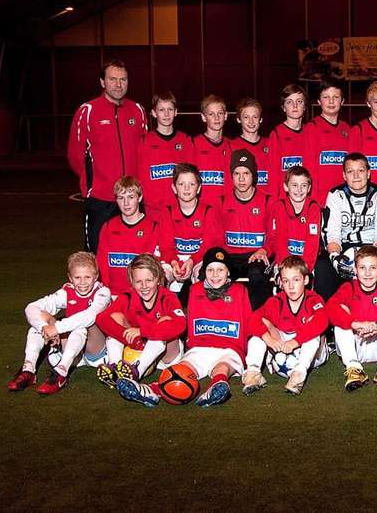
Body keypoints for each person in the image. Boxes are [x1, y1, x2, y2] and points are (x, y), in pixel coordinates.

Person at [116, 248, 256, 408]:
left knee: (222, 368)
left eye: (220, 270)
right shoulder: (195, 290)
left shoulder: (239, 291)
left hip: (229, 348)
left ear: (228, 272)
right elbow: (187, 323)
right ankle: (149, 390)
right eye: (210, 270)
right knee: (180, 370)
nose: (215, 275)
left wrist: (246, 353)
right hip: (200, 347)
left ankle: (216, 386)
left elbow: (248, 322)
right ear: (204, 272)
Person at [67, 59, 148, 252]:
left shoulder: (137, 111)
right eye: (113, 79)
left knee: (135, 253)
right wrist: (95, 184)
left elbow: (145, 153)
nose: (118, 84)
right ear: (102, 82)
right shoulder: (88, 111)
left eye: (123, 79)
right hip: (101, 198)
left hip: (133, 197)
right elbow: (75, 156)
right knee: (97, 253)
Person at [7, 252, 112, 394]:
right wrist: (44, 327)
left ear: (96, 276)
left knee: (80, 326)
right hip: (74, 350)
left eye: (87, 277)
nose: (82, 282)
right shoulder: (67, 291)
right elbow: (31, 307)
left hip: (96, 352)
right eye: (77, 277)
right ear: (70, 278)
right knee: (38, 323)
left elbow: (90, 316)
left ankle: (61, 374)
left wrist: (56, 327)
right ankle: (28, 370)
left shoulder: (102, 292)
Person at [94, 254, 186, 389]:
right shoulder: (128, 296)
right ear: (131, 281)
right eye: (138, 281)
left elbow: (181, 324)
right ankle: (114, 367)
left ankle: (137, 371)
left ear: (158, 279)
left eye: (149, 280)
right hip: (139, 348)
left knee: (165, 321)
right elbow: (101, 318)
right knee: (115, 317)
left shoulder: (168, 297)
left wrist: (143, 332)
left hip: (166, 356)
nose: (144, 286)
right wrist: (131, 337)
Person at [326, 245, 377, 392]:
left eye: (373, 268)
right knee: (340, 321)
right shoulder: (348, 287)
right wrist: (355, 324)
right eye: (362, 268)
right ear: (355, 270)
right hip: (356, 346)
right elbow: (331, 307)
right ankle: (353, 369)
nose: (367, 273)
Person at [243, 256, 329, 395]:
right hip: (284, 345)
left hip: (311, 352)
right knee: (258, 332)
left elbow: (322, 320)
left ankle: (298, 375)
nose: (290, 286)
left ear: (305, 280)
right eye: (286, 281)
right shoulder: (276, 301)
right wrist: (269, 339)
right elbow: (253, 319)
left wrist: (296, 341)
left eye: (296, 280)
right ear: (280, 282)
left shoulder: (314, 299)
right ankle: (253, 373)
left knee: (314, 331)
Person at [318, 153, 377, 300]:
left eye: (360, 170)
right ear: (344, 175)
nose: (356, 176)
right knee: (323, 265)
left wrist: (373, 257)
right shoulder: (335, 195)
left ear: (368, 173)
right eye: (350, 171)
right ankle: (327, 317)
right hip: (344, 246)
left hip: (373, 246)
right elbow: (331, 232)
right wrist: (335, 258)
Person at [159, 163, 224, 305]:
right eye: (181, 184)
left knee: (205, 273)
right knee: (158, 275)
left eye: (191, 184)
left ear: (199, 188)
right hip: (174, 259)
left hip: (198, 259)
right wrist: (174, 262)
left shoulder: (208, 211)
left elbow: (208, 246)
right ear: (174, 188)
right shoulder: (167, 212)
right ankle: (163, 313)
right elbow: (165, 246)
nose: (187, 188)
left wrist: (192, 261)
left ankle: (204, 311)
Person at [220, 149, 274, 309]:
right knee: (211, 271)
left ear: (254, 175)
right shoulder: (222, 202)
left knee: (257, 275)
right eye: (237, 173)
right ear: (231, 176)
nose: (241, 179)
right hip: (231, 256)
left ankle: (258, 321)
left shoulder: (267, 201)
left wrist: (265, 249)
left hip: (256, 255)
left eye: (246, 173)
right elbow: (215, 237)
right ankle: (222, 317)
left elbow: (275, 236)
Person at [96, 176, 166, 296]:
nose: (126, 203)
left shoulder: (154, 228)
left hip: (140, 293)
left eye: (131, 197)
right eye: (121, 198)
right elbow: (102, 262)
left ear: (140, 198)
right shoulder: (108, 227)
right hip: (113, 294)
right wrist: (106, 292)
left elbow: (151, 268)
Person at [136, 92, 194, 219]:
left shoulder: (185, 140)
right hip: (154, 210)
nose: (166, 114)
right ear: (154, 113)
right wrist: (151, 202)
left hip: (180, 208)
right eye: (161, 110)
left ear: (176, 112)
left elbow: (191, 177)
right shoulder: (145, 142)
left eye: (170, 109)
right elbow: (142, 177)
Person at [306, 81, 352, 204]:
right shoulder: (312, 127)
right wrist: (314, 201)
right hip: (321, 200)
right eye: (326, 97)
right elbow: (309, 168)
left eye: (336, 97)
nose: (331, 102)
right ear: (319, 101)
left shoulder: (347, 129)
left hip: (344, 199)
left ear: (342, 101)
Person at [268, 165, 323, 268]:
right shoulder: (280, 206)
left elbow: (312, 242)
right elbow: (280, 240)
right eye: (294, 185)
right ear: (285, 186)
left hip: (307, 261)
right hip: (284, 260)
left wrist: (306, 268)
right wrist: (285, 266)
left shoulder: (313, 207)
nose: (299, 190)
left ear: (309, 188)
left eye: (303, 185)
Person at [268, 84, 310, 196]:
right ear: (283, 107)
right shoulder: (276, 134)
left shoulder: (311, 132)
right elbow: (273, 174)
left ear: (305, 106)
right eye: (289, 102)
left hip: (306, 197)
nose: (295, 106)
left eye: (299, 101)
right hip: (284, 199)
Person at [229, 97, 273, 195]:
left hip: (267, 202)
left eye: (255, 117)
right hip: (243, 203)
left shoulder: (271, 144)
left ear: (261, 119)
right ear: (238, 119)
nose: (251, 121)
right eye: (246, 117)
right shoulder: (231, 146)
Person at [192, 94, 230, 203]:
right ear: (204, 117)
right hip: (203, 209)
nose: (216, 118)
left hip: (226, 209)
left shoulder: (233, 146)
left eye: (220, 113)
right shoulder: (193, 144)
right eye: (211, 114)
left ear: (226, 115)